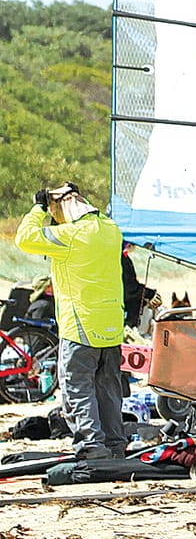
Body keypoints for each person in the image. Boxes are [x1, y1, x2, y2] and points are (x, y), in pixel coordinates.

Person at [14, 184, 129, 460]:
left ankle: (92, 448)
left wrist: (39, 207)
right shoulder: (111, 229)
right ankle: (115, 447)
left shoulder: (70, 235)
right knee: (109, 389)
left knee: (78, 388)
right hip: (112, 327)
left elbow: (24, 237)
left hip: (81, 326)